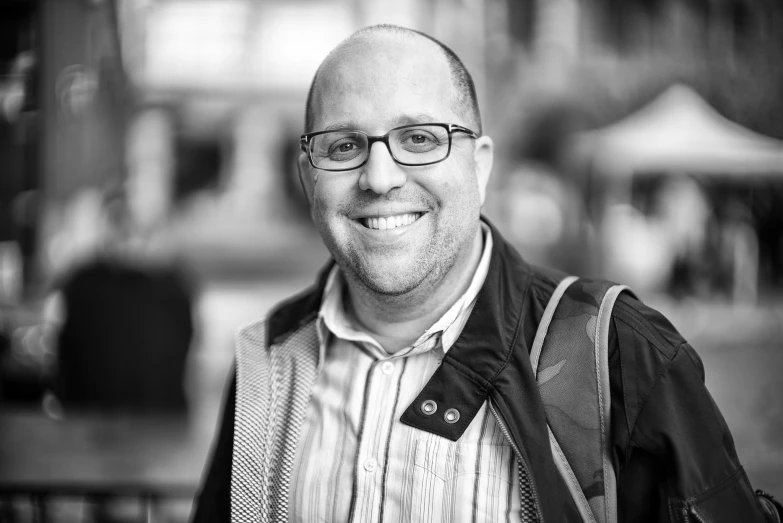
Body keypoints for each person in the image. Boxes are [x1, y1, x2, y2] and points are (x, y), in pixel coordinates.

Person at [192, 25, 779, 522]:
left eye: (419, 138)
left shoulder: (622, 354)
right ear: (307, 175)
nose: (378, 177)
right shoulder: (266, 362)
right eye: (344, 145)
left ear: (481, 165)